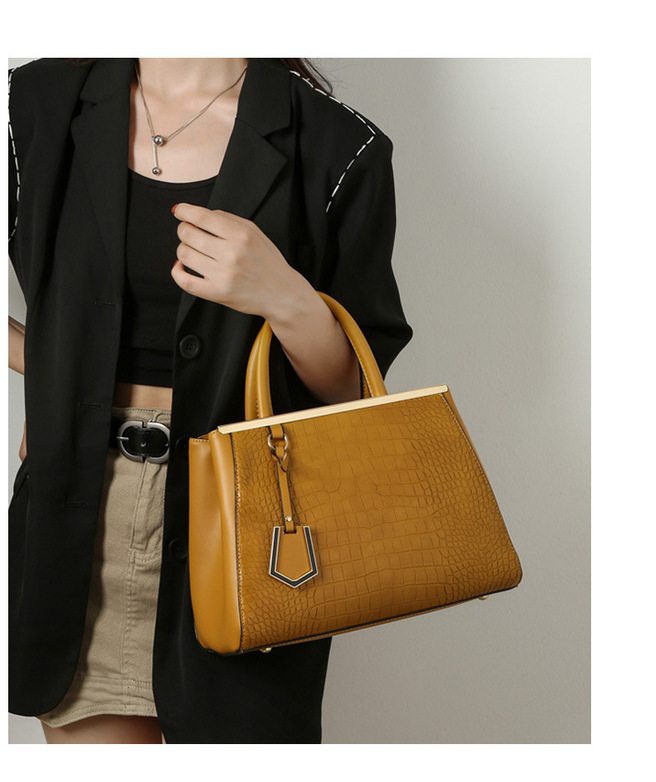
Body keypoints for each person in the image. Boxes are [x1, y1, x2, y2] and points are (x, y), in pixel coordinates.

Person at [7, 57, 413, 744]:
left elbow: (353, 393)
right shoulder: (35, 103)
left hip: (254, 523)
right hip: (80, 516)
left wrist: (285, 295)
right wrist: (55, 378)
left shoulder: (341, 147)